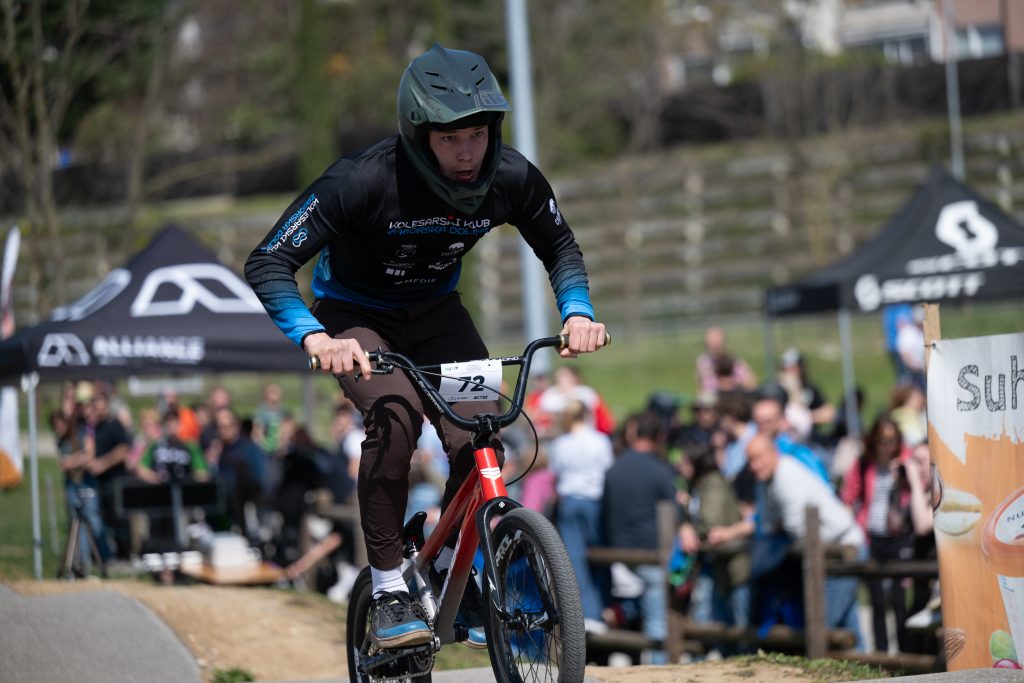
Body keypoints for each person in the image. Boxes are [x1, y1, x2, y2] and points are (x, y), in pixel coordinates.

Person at [244, 43, 608, 649]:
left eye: (477, 135)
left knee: (481, 435)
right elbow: (268, 260)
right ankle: (389, 588)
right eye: (449, 138)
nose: (467, 153)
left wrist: (578, 311)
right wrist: (315, 337)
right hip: (354, 315)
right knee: (396, 420)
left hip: (437, 313)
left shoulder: (511, 176)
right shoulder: (362, 179)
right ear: (419, 134)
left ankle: (443, 569)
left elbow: (560, 247)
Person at [746, 434, 867, 650]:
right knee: (847, 625)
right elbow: (768, 524)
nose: (755, 466)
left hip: (843, 549)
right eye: (751, 460)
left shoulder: (786, 476)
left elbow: (798, 529)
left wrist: (780, 530)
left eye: (759, 458)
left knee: (823, 626)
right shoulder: (768, 480)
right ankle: (868, 666)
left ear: (773, 453)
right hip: (835, 548)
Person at [602, 411, 677, 665]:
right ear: (659, 436)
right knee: (657, 618)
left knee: (632, 607)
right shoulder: (660, 471)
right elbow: (673, 511)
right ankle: (658, 669)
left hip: (615, 552)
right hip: (651, 552)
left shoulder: (614, 468)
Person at [840, 413, 914, 653]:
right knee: (877, 601)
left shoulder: (905, 463)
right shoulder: (863, 464)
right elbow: (848, 497)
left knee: (900, 600)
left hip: (899, 537)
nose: (888, 446)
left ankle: (904, 653)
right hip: (872, 537)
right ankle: (881, 654)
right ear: (874, 440)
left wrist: (904, 472)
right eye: (883, 440)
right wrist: (851, 527)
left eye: (893, 440)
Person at [548, 400, 613, 632]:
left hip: (570, 500)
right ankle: (599, 609)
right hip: (594, 500)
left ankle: (586, 612)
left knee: (575, 558)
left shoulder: (561, 443)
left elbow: (555, 473)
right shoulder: (600, 440)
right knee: (598, 554)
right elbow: (607, 469)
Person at [696, 326, 756, 394]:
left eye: (718, 345)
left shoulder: (733, 360)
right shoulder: (703, 362)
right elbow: (701, 387)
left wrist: (733, 384)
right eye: (712, 345)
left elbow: (751, 382)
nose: (715, 349)